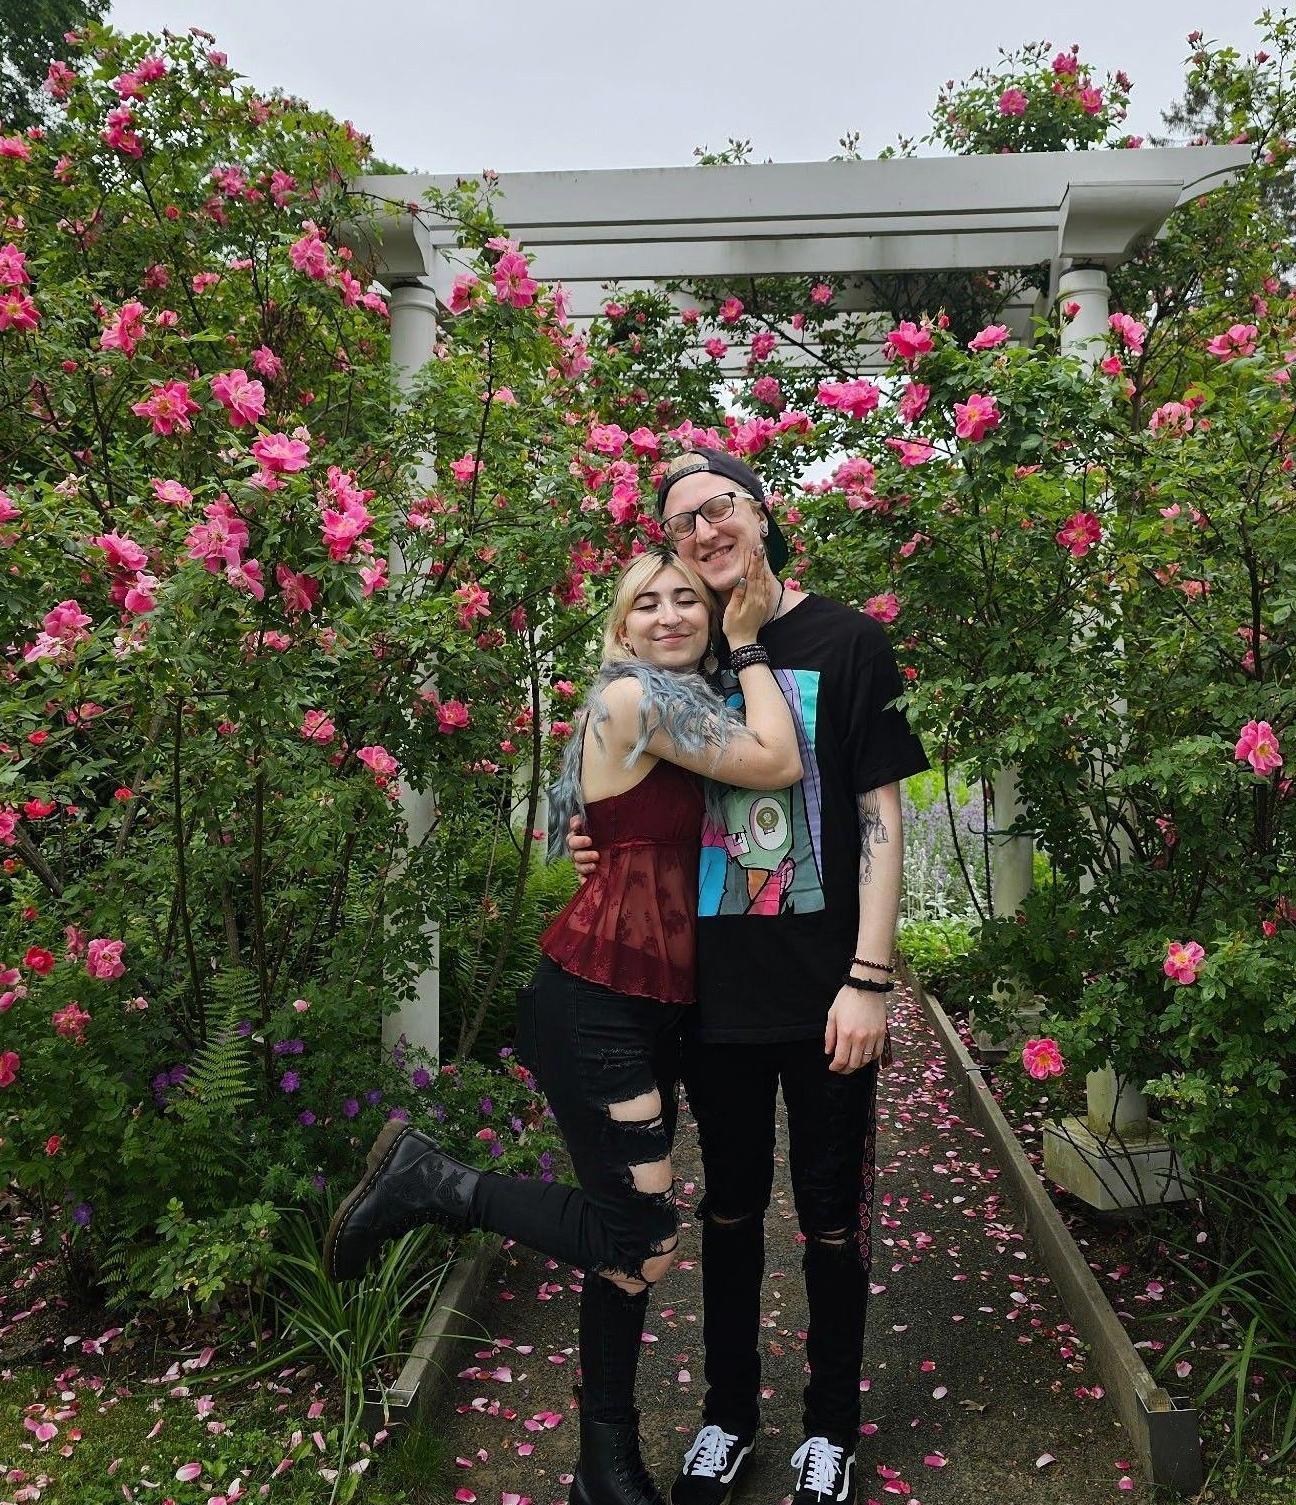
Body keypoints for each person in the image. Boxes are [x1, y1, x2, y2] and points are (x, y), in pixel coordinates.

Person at [322, 544, 801, 1505]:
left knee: (622, 1255)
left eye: (687, 600)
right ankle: (434, 1180)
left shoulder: (680, 705)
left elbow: (623, 826)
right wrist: (750, 643)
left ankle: (604, 1472)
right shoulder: (634, 698)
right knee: (644, 1239)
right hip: (596, 999)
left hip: (648, 1004)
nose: (671, 614)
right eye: (646, 603)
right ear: (620, 628)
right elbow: (778, 762)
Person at [569, 449, 929, 1505]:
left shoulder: (846, 641)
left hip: (824, 992)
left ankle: (828, 1428)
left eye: (719, 504)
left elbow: (878, 817)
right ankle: (726, 1416)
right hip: (708, 996)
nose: (703, 529)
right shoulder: (676, 648)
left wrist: (869, 977)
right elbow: (627, 787)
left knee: (829, 1217)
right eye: (680, 520)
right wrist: (597, 843)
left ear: (763, 513)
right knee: (727, 1212)